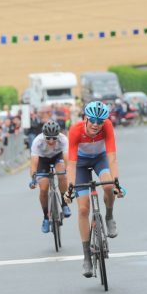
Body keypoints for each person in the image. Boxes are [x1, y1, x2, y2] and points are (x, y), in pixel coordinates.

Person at [63, 101, 124, 278]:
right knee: (83, 208)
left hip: (100, 159)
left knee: (108, 185)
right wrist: (69, 189)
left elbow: (112, 158)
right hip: (80, 165)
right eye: (93, 120)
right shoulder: (75, 130)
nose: (96, 124)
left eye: (100, 121)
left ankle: (109, 216)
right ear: (85, 118)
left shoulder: (107, 127)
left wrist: (117, 183)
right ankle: (87, 257)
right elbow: (72, 165)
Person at [28, 120, 71, 233]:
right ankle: (46, 218)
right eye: (48, 138)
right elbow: (33, 163)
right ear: (43, 136)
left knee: (62, 175)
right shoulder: (37, 141)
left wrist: (70, 173)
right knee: (43, 187)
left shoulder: (63, 139)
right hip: (42, 160)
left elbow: (67, 160)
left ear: (58, 135)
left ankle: (64, 203)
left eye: (54, 138)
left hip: (58, 157)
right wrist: (33, 179)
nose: (51, 141)